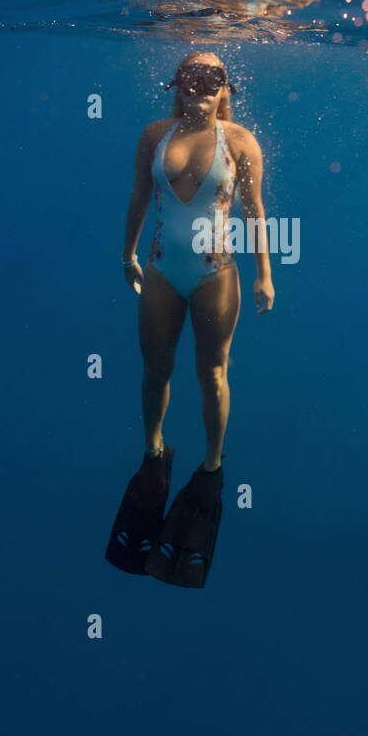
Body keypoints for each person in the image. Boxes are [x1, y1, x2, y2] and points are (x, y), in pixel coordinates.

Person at [104, 51, 274, 587]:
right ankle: (154, 450)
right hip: (158, 270)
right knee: (154, 369)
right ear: (176, 84)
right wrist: (126, 254)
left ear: (226, 87)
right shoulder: (154, 133)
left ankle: (212, 466)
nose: (201, 88)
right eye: (192, 78)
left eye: (213, 79)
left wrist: (265, 273)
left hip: (214, 273)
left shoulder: (241, 142)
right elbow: (138, 194)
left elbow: (255, 210)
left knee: (212, 373)